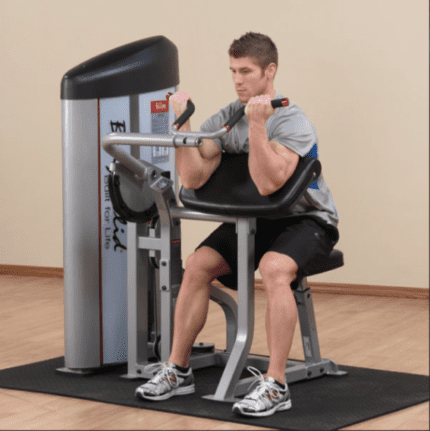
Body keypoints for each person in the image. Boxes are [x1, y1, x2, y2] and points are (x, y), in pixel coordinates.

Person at [135, 32, 339, 418]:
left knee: (275, 268)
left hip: (308, 220)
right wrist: (183, 126)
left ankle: (276, 384)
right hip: (257, 222)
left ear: (270, 71)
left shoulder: (294, 122)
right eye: (233, 71)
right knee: (197, 264)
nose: (238, 80)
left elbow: (268, 184)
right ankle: (178, 370)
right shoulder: (229, 116)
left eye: (246, 71)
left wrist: (258, 126)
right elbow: (193, 178)